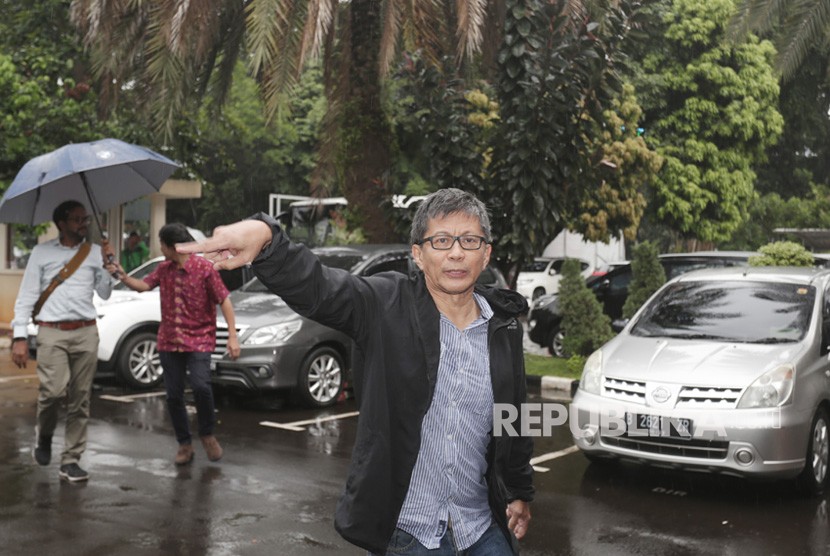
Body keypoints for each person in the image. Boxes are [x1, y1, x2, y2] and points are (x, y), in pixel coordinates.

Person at [178, 188, 534, 555]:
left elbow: (517, 416)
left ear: (486, 252)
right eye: (441, 240)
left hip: (481, 526)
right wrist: (268, 240)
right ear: (418, 254)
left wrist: (520, 491)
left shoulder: (503, 328)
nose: (456, 252)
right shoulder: (384, 305)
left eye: (469, 240)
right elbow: (320, 288)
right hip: (410, 534)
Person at [105, 223, 240, 465]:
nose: (160, 248)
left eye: (162, 244)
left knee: (200, 386)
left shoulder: (204, 269)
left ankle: (207, 434)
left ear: (173, 246)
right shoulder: (164, 269)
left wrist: (232, 335)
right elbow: (143, 286)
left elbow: (224, 300)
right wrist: (122, 275)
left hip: (200, 339)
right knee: (174, 395)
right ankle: (184, 444)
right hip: (169, 341)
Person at [11, 200, 115, 483]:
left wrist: (108, 266)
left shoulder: (94, 253)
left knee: (81, 399)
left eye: (85, 219)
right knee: (53, 393)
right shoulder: (41, 253)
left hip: (86, 332)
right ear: (62, 224)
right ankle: (44, 437)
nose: (84, 224)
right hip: (52, 332)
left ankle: (70, 460)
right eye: (77, 219)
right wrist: (19, 336)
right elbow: (27, 296)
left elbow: (105, 293)